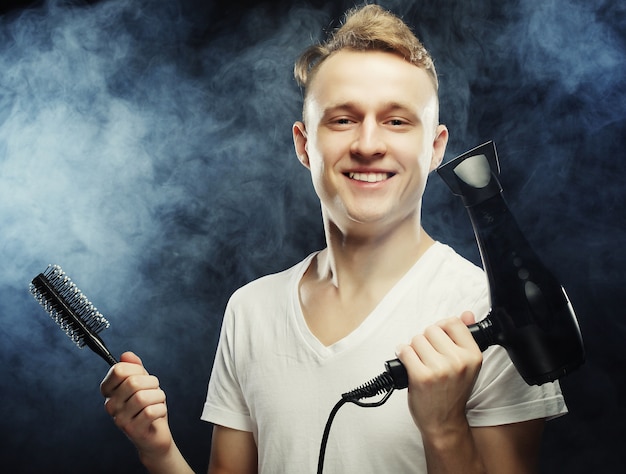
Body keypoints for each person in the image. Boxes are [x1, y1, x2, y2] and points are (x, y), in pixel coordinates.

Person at [100, 4, 567, 473]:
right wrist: (156, 449)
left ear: (435, 147)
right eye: (342, 119)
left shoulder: (495, 311)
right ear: (305, 145)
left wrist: (443, 427)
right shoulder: (251, 310)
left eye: (397, 121)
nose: (367, 144)